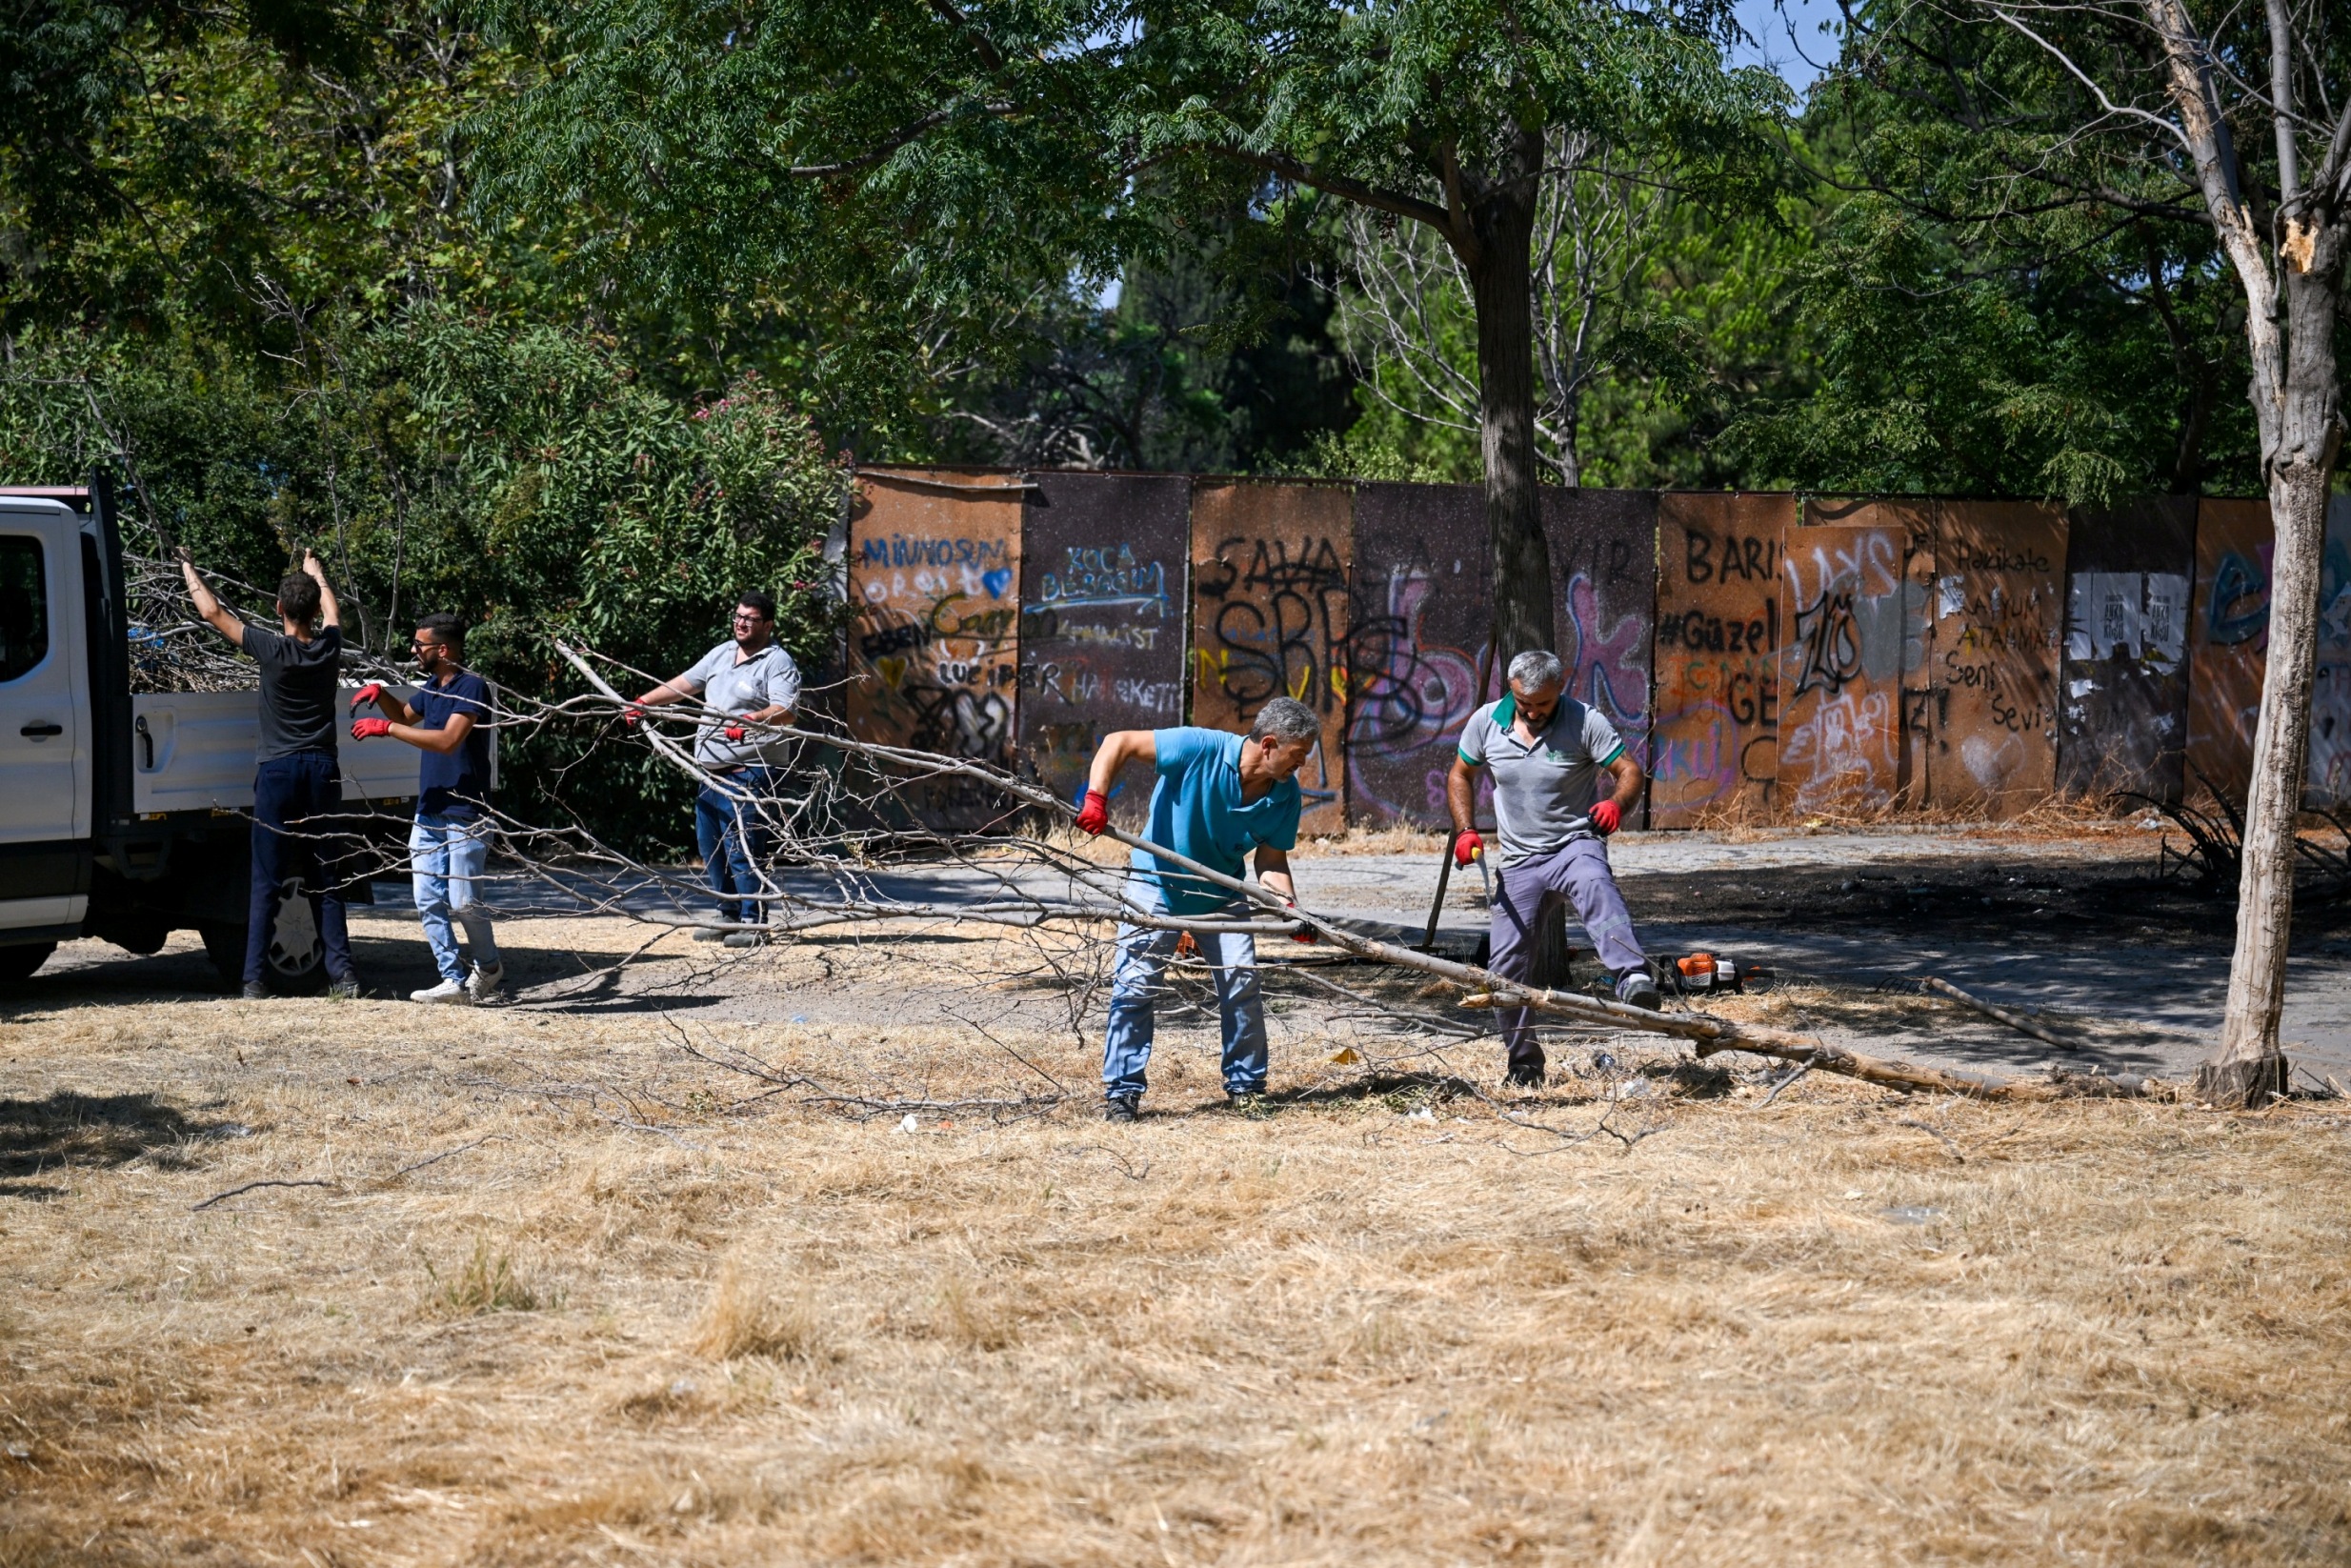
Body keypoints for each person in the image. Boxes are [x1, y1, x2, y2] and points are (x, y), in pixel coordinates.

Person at [1074, 696, 1321, 1122]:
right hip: (1154, 887)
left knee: (1242, 986)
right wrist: (1096, 798)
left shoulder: (1284, 796)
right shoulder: (1199, 748)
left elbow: (1271, 861)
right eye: (1297, 755)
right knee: (1134, 989)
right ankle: (1122, 1094)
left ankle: (1246, 1087)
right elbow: (1118, 742)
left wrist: (1290, 909)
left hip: (1221, 898)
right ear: (1268, 744)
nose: (1302, 765)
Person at [1449, 649, 1660, 1086]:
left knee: (1595, 883)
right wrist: (1467, 829)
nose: (1532, 711)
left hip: (1572, 844)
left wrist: (1616, 804)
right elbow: (1459, 775)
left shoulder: (1586, 721)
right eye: (1525, 703)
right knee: (1504, 969)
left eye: (1542, 705)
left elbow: (1630, 771)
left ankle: (1632, 977)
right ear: (1512, 689)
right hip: (1518, 860)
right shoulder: (1486, 722)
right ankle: (1524, 1062)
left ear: (1559, 689)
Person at [178, 548, 360, 999]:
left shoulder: (270, 648)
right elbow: (335, 613)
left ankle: (254, 980)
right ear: (313, 611)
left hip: (277, 770)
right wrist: (317, 574)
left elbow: (212, 611)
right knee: (327, 874)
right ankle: (344, 976)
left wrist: (188, 567)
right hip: (321, 769)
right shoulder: (328, 647)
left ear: (279, 609)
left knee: (266, 878)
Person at [632, 591, 802, 947]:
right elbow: (684, 684)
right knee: (712, 846)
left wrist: (753, 719)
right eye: (738, 616)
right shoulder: (722, 653)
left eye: (750, 618)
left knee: (744, 846)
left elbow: (786, 711)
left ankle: (754, 923)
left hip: (751, 769)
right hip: (711, 770)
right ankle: (727, 915)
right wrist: (644, 702)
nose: (741, 623)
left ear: (767, 625)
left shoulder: (777, 661)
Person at [351, 613, 503, 1004]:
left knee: (464, 902)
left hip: (466, 811)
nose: (413, 650)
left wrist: (386, 730)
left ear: (444, 649)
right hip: (430, 808)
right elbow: (404, 715)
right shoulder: (432, 686)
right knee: (427, 899)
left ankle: (488, 968)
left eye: (420, 645)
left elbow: (448, 740)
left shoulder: (473, 687)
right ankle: (452, 980)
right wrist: (381, 694)